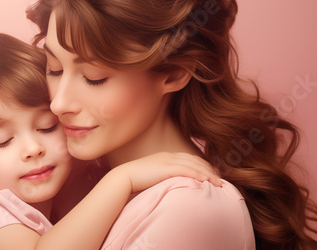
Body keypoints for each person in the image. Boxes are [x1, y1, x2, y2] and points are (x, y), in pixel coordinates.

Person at [26, 0, 317, 249]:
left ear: (173, 74)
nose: (59, 103)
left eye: (94, 76)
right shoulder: (77, 183)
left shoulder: (191, 208)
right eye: (54, 68)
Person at [0, 33, 220, 250]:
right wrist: (122, 179)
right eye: (3, 141)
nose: (33, 149)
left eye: (47, 127)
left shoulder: (72, 200)